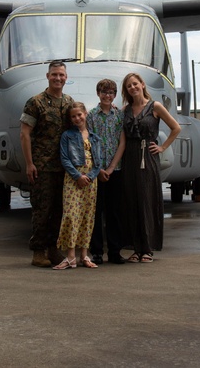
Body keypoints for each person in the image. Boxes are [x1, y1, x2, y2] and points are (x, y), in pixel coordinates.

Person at [120, 72, 181, 263]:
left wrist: (162, 147)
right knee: (132, 202)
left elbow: (175, 128)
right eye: (129, 86)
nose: (133, 88)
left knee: (147, 200)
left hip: (148, 156)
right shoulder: (125, 110)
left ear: (142, 84)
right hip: (129, 157)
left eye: (135, 84)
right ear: (126, 90)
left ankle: (147, 248)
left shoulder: (155, 107)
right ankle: (135, 248)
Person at [20, 60, 73, 268]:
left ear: (66, 77)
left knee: (59, 210)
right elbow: (25, 134)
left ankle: (53, 249)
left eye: (61, 75)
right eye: (54, 75)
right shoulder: (36, 102)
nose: (58, 78)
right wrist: (29, 163)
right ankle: (38, 251)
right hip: (42, 166)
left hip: (64, 166)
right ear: (47, 76)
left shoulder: (69, 102)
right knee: (42, 210)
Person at [53, 102, 103, 270]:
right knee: (71, 215)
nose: (77, 118)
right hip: (74, 179)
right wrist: (77, 176)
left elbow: (98, 161)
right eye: (73, 116)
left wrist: (90, 176)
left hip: (90, 181)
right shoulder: (67, 136)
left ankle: (84, 255)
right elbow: (65, 158)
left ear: (85, 114)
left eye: (79, 115)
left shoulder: (94, 138)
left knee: (87, 216)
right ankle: (70, 256)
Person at [87, 78, 127, 264]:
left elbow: (122, 142)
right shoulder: (92, 116)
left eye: (111, 93)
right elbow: (89, 143)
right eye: (104, 92)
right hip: (97, 170)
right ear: (98, 93)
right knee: (96, 211)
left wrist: (111, 168)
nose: (107, 96)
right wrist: (100, 168)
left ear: (115, 95)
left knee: (115, 212)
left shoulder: (119, 116)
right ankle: (96, 251)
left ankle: (114, 250)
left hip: (115, 170)